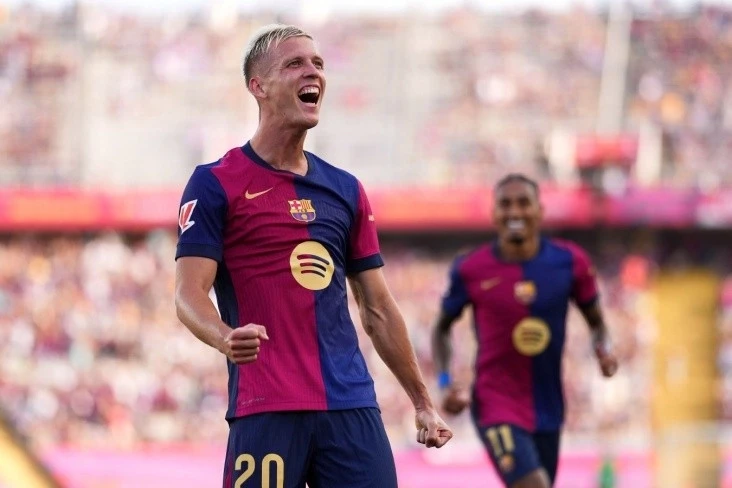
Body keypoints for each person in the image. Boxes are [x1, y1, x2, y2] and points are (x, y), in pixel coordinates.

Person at [174, 24, 452, 488]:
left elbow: (378, 309)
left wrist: (422, 402)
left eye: (318, 64)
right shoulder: (215, 182)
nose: (314, 72)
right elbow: (188, 294)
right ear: (258, 86)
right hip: (266, 408)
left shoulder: (345, 190)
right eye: (295, 64)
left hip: (350, 408)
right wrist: (224, 337)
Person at [431, 173, 618, 488]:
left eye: (523, 203)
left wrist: (605, 351)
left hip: (549, 407)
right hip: (495, 403)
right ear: (494, 214)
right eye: (505, 204)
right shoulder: (471, 268)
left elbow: (598, 323)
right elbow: (441, 329)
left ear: (539, 211)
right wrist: (445, 381)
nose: (514, 212)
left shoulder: (570, 262)